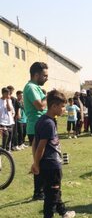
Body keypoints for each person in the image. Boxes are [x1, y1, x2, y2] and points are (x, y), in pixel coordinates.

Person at [31, 90, 76, 218]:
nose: (64, 109)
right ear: (54, 106)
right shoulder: (48, 123)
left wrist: (36, 162)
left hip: (48, 164)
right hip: (51, 165)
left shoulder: (43, 120)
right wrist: (36, 163)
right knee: (51, 196)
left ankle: (64, 212)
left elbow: (34, 144)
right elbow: (40, 146)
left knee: (54, 192)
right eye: (62, 106)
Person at [23, 62, 48, 200]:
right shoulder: (31, 87)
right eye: (45, 75)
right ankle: (38, 192)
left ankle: (42, 190)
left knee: (44, 159)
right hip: (36, 128)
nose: (46, 78)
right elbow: (39, 106)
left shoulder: (36, 87)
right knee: (39, 159)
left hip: (41, 127)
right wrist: (46, 96)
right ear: (36, 75)